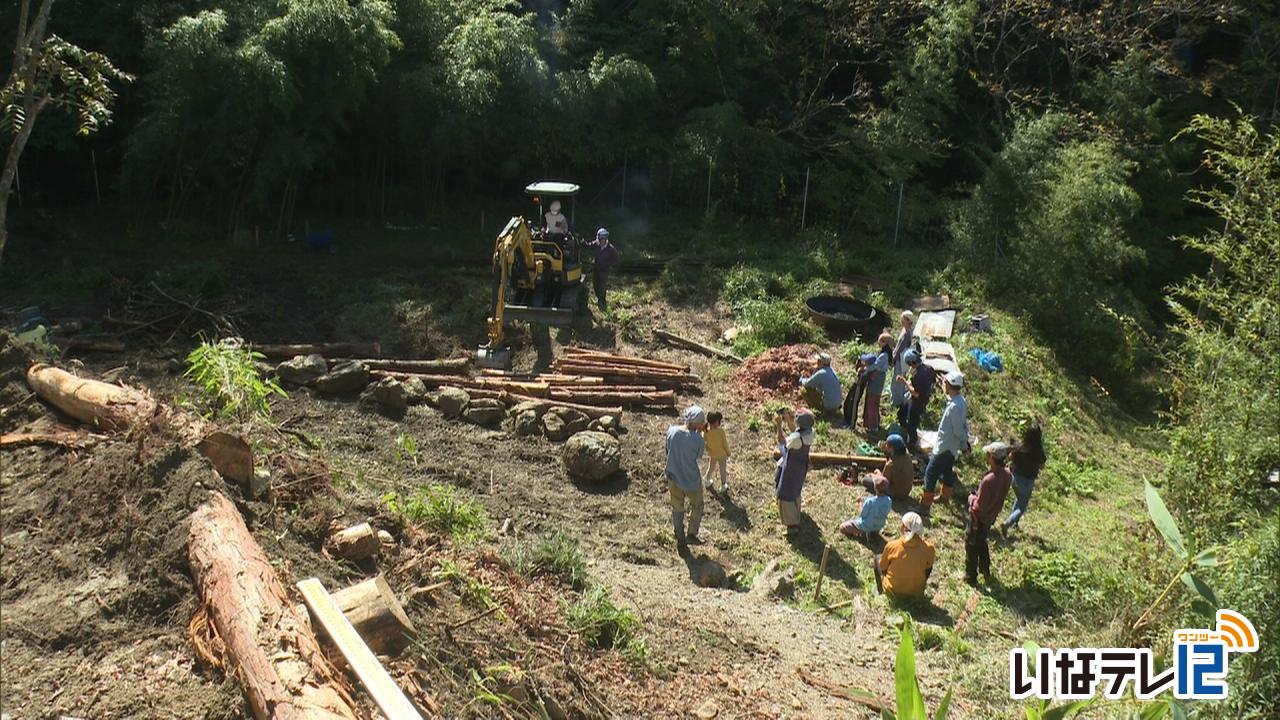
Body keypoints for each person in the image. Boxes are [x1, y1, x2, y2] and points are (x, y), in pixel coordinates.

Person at [920, 371, 969, 513]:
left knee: (930, 473)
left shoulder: (953, 406)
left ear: (949, 385)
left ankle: (925, 505)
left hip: (945, 445)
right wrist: (963, 443)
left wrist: (964, 443)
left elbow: (958, 429)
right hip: (952, 447)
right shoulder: (961, 401)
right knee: (947, 470)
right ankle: (945, 496)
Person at [965, 441, 1012, 585]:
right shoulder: (1008, 475)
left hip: (978, 518)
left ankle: (971, 576)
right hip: (991, 517)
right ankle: (985, 569)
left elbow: (979, 506)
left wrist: (971, 498)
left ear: (992, 457)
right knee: (982, 541)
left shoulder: (988, 479)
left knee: (971, 544)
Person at [665, 405, 707, 546]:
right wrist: (700, 434)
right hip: (691, 480)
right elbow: (698, 456)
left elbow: (667, 449)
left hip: (673, 475)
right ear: (697, 423)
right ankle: (692, 534)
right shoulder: (698, 440)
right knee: (697, 505)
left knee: (677, 506)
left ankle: (679, 534)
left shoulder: (671, 431)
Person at [774, 407, 816, 534]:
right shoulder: (810, 432)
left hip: (791, 468)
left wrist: (779, 425)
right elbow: (795, 433)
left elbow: (782, 441)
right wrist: (787, 419)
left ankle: (792, 526)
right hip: (801, 466)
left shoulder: (796, 440)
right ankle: (796, 514)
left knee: (786, 493)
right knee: (795, 490)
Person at [1001, 425, 1047, 535]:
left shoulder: (1019, 447)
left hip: (1015, 478)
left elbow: (1011, 457)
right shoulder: (1039, 452)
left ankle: (1015, 523)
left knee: (1019, 499)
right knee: (1022, 506)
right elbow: (1042, 466)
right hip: (1028, 481)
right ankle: (1008, 523)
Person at [876, 512, 935, 596]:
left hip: (892, 589)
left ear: (903, 527)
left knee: (877, 558)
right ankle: (917, 585)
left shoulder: (892, 546)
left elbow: (883, 567)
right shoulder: (929, 548)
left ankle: (880, 590)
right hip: (916, 592)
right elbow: (928, 568)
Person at [895, 349, 937, 451]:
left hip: (917, 402)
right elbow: (933, 383)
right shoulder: (929, 369)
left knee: (912, 424)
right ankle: (905, 431)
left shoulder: (919, 375)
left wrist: (905, 382)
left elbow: (915, 393)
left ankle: (912, 444)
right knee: (901, 413)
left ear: (912, 363)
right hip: (923, 398)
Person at [839, 474, 892, 542]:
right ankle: (873, 533)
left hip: (866, 525)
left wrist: (861, 504)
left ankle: (863, 532)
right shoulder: (889, 500)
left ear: (875, 488)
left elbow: (862, 515)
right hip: (879, 525)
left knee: (842, 527)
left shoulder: (870, 501)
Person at [862, 333, 894, 432]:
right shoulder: (885, 354)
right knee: (873, 401)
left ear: (885, 343)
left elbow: (875, 365)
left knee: (872, 401)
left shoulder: (884, 355)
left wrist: (865, 368)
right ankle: (870, 423)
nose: (878, 343)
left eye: (880, 341)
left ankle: (873, 426)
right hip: (878, 378)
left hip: (877, 378)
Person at [584, 227, 620, 310]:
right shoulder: (596, 244)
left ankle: (602, 302)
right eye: (598, 239)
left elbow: (616, 259)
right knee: (595, 285)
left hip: (604, 271)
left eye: (600, 239)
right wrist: (582, 242)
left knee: (602, 287)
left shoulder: (611, 249)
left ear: (605, 239)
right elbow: (588, 245)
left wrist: (609, 265)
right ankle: (599, 299)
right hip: (596, 269)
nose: (599, 241)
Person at [889, 311, 918, 409]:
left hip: (901, 360)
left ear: (908, 320)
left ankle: (896, 401)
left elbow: (900, 348)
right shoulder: (905, 330)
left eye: (904, 319)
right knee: (897, 379)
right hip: (901, 359)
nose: (902, 320)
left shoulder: (907, 333)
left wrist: (894, 358)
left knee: (898, 380)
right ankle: (896, 398)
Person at [841, 353, 875, 429]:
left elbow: (862, 380)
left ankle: (851, 424)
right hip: (855, 385)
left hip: (858, 388)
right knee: (847, 402)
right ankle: (846, 419)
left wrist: (861, 372)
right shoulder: (864, 368)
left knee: (853, 404)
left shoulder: (868, 372)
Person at [703, 411, 731, 494]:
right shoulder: (720, 432)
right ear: (716, 422)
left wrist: (708, 449)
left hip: (713, 454)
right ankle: (723, 485)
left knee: (711, 467)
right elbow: (724, 443)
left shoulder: (706, 432)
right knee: (722, 469)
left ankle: (707, 480)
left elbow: (704, 443)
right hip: (722, 454)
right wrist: (728, 452)